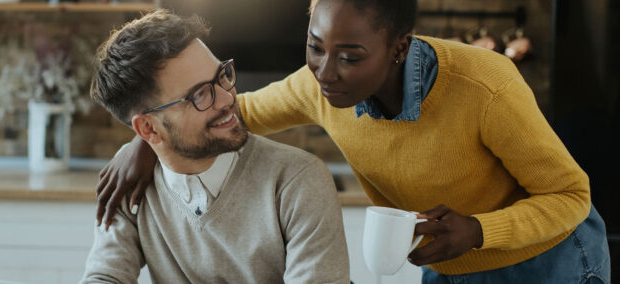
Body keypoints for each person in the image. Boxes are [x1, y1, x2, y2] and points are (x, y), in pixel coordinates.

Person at [95, 0, 612, 283]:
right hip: (452, 266)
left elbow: (572, 196)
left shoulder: (487, 87)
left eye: (350, 55)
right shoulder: (316, 86)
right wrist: (142, 142)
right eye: (315, 47)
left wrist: (480, 231)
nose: (326, 72)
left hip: (551, 264)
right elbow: (226, 115)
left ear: (397, 48)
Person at [81, 10, 350, 283]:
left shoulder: (297, 181)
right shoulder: (127, 182)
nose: (227, 98)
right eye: (198, 94)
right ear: (148, 129)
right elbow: (104, 276)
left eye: (222, 75)